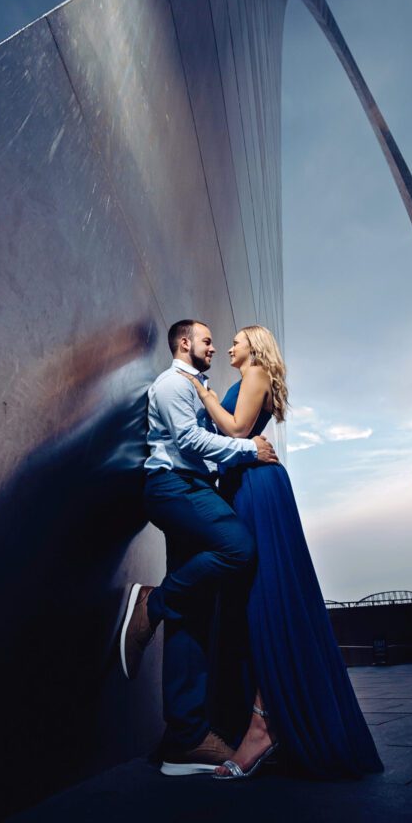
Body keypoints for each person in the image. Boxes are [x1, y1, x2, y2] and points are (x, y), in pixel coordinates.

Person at [180, 325, 383, 781]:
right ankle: (256, 719)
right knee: (245, 605)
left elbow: (236, 429)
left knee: (266, 601)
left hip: (258, 489)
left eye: (235, 340)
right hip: (242, 485)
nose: (228, 347)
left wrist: (200, 390)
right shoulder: (243, 379)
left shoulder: (255, 374)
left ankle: (263, 725)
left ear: (255, 345)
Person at [119, 319, 278, 776]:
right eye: (208, 341)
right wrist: (249, 450)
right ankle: (153, 601)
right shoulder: (173, 384)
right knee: (238, 550)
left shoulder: (197, 386)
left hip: (192, 488)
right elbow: (188, 441)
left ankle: (184, 739)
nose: (215, 347)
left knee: (190, 617)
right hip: (175, 488)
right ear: (185, 343)